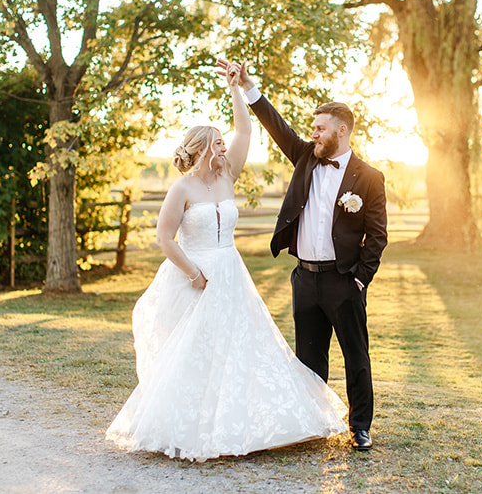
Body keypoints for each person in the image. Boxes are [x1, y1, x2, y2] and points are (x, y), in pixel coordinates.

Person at [105, 64, 349, 461]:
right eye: (216, 144)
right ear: (201, 148)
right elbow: (164, 238)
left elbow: (246, 130)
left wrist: (236, 88)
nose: (224, 149)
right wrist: (193, 272)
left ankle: (246, 423)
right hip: (193, 276)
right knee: (193, 350)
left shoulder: (227, 177)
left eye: (222, 143)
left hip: (230, 274)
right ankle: (188, 425)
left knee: (237, 349)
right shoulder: (180, 189)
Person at [215, 59, 388, 452]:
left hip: (343, 281)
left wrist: (360, 278)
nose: (313, 132)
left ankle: (360, 426)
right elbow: (276, 125)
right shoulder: (307, 156)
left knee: (356, 357)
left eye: (320, 127)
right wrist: (247, 87)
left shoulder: (370, 178)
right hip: (304, 278)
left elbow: (377, 236)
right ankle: (313, 423)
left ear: (341, 132)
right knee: (309, 358)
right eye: (313, 127)